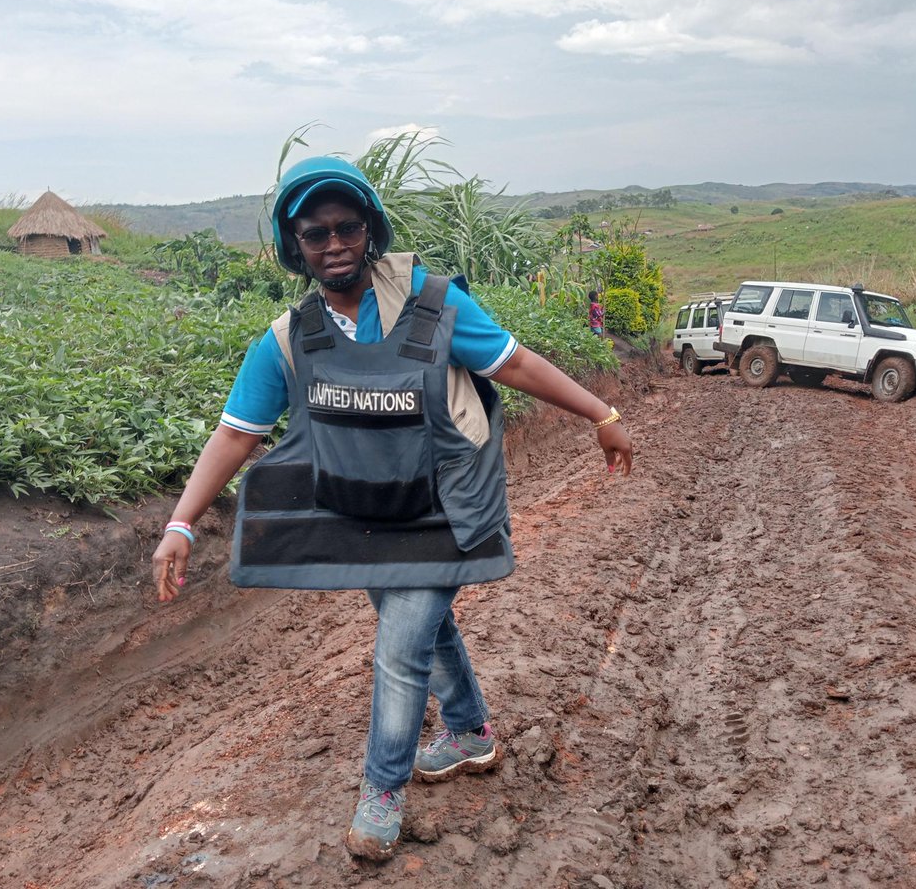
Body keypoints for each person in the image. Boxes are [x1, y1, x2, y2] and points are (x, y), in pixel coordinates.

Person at [150, 156, 633, 863]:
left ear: (371, 230)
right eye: (316, 233)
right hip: (363, 517)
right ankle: (469, 732)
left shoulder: (434, 308)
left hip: (446, 511)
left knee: (400, 650)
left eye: (348, 227)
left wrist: (602, 411)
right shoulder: (289, 339)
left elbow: (515, 363)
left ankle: (383, 789)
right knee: (423, 630)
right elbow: (236, 433)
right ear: (296, 248)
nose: (334, 242)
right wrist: (181, 522)